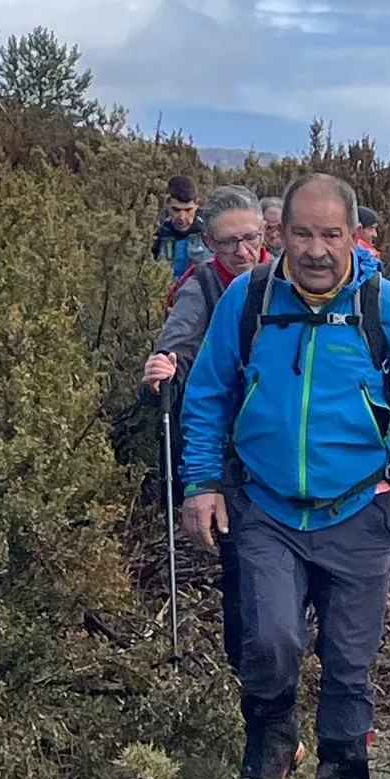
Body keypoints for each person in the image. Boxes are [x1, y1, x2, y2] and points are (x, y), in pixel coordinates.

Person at [181, 173, 390, 779]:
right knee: (271, 640)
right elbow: (207, 394)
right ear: (280, 234)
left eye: (330, 235)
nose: (316, 249)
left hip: (357, 510)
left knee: (349, 662)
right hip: (265, 507)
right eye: (303, 234)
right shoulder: (247, 302)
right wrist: (201, 483)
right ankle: (271, 739)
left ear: (354, 236)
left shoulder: (384, 304)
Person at [143, 187, 266, 669]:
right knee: (243, 567)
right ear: (210, 243)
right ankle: (248, 679)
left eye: (251, 238)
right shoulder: (201, 286)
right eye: (229, 242)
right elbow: (179, 341)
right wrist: (165, 367)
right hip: (232, 446)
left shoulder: (291, 277)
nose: (242, 251)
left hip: (293, 444)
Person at [153, 174, 209, 284]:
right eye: (176, 210)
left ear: (197, 204)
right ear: (167, 204)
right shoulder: (155, 231)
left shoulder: (211, 230)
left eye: (188, 210)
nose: (182, 217)